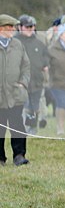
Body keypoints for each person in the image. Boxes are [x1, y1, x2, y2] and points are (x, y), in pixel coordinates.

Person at [0, 14, 31, 166]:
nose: (13, 30)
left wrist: (23, 83)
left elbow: (26, 67)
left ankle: (19, 155)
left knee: (17, 125)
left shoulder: (18, 44)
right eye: (9, 27)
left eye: (13, 27)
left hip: (15, 94)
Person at [16, 15, 49, 135]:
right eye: (27, 27)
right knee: (24, 106)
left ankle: (33, 128)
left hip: (37, 80)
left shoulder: (39, 42)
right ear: (20, 27)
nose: (30, 29)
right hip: (20, 81)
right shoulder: (15, 42)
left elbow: (46, 56)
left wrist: (45, 64)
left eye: (32, 26)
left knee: (35, 106)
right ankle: (23, 128)